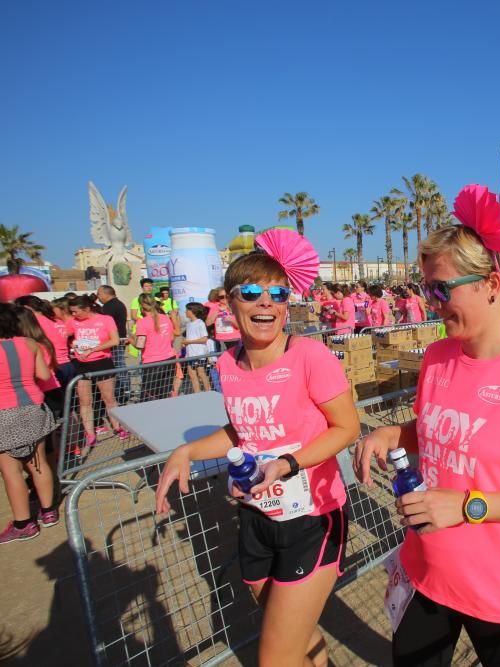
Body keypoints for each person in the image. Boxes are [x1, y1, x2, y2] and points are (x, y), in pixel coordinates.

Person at [354, 185, 500, 666]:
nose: (433, 302)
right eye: (426, 290)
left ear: (492, 284)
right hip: (425, 573)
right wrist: (390, 434)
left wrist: (467, 506)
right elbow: (436, 432)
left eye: (441, 289)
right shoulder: (439, 357)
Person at [156, 230, 360, 667]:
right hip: (255, 515)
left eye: (277, 293)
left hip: (313, 519)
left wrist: (287, 463)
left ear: (287, 303)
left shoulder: (310, 355)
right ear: (229, 304)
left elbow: (347, 427)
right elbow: (241, 431)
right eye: (251, 293)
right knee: (292, 633)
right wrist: (185, 451)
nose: (265, 302)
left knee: (274, 657)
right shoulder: (227, 363)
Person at [0, 302, 59, 544]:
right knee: (38, 464)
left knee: (12, 473)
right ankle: (49, 511)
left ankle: (23, 524)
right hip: (33, 409)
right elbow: (43, 375)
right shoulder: (30, 344)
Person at [65, 295, 127, 448]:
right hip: (81, 364)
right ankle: (90, 434)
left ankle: (118, 427)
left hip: (102, 362)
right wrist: (72, 348)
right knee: (85, 401)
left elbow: (114, 340)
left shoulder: (105, 319)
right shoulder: (73, 322)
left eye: (76, 312)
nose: (73, 315)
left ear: (87, 309)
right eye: (71, 312)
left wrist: (93, 349)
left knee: (109, 398)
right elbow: (64, 336)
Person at [134, 294, 177, 401]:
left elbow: (140, 345)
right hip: (169, 359)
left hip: (152, 362)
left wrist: (130, 340)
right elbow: (172, 338)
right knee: (164, 393)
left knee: (149, 395)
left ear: (141, 306)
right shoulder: (165, 318)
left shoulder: (142, 322)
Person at [96, 286, 130, 403]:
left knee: (118, 365)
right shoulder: (119, 304)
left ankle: (124, 391)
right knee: (120, 364)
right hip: (118, 339)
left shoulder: (110, 306)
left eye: (99, 294)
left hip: (114, 341)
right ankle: (125, 389)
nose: (98, 297)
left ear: (106, 294)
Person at [181, 302, 211, 393]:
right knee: (192, 374)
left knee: (201, 373)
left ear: (192, 311)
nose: (185, 312)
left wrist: (189, 342)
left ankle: (208, 392)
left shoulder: (200, 323)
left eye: (187, 310)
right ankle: (197, 393)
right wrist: (185, 344)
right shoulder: (189, 324)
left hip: (198, 353)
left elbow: (204, 339)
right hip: (190, 353)